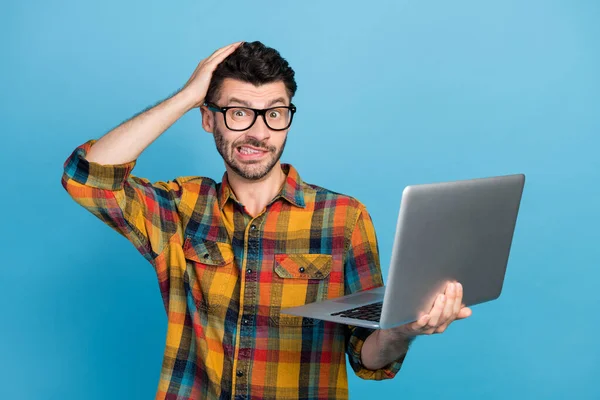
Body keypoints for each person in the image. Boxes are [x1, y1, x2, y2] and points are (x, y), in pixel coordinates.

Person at [61, 41, 472, 400]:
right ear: (209, 119)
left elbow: (368, 355)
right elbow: (86, 179)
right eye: (239, 113)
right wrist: (186, 96)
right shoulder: (180, 207)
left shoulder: (344, 219)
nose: (258, 132)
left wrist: (403, 332)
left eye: (274, 114)